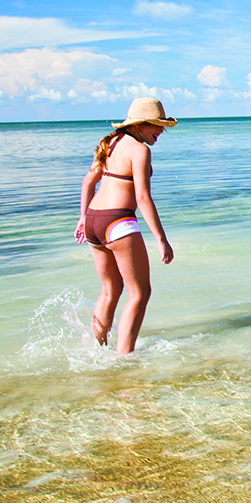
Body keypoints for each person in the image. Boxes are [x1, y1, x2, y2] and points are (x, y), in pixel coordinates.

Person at [76, 97, 177, 353]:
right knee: (139, 294)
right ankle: (124, 360)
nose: (161, 132)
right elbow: (143, 198)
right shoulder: (140, 150)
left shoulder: (109, 143)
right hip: (118, 220)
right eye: (157, 126)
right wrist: (161, 239)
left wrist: (81, 218)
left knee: (110, 290)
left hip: (93, 220)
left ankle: (95, 351)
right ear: (141, 124)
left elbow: (88, 183)